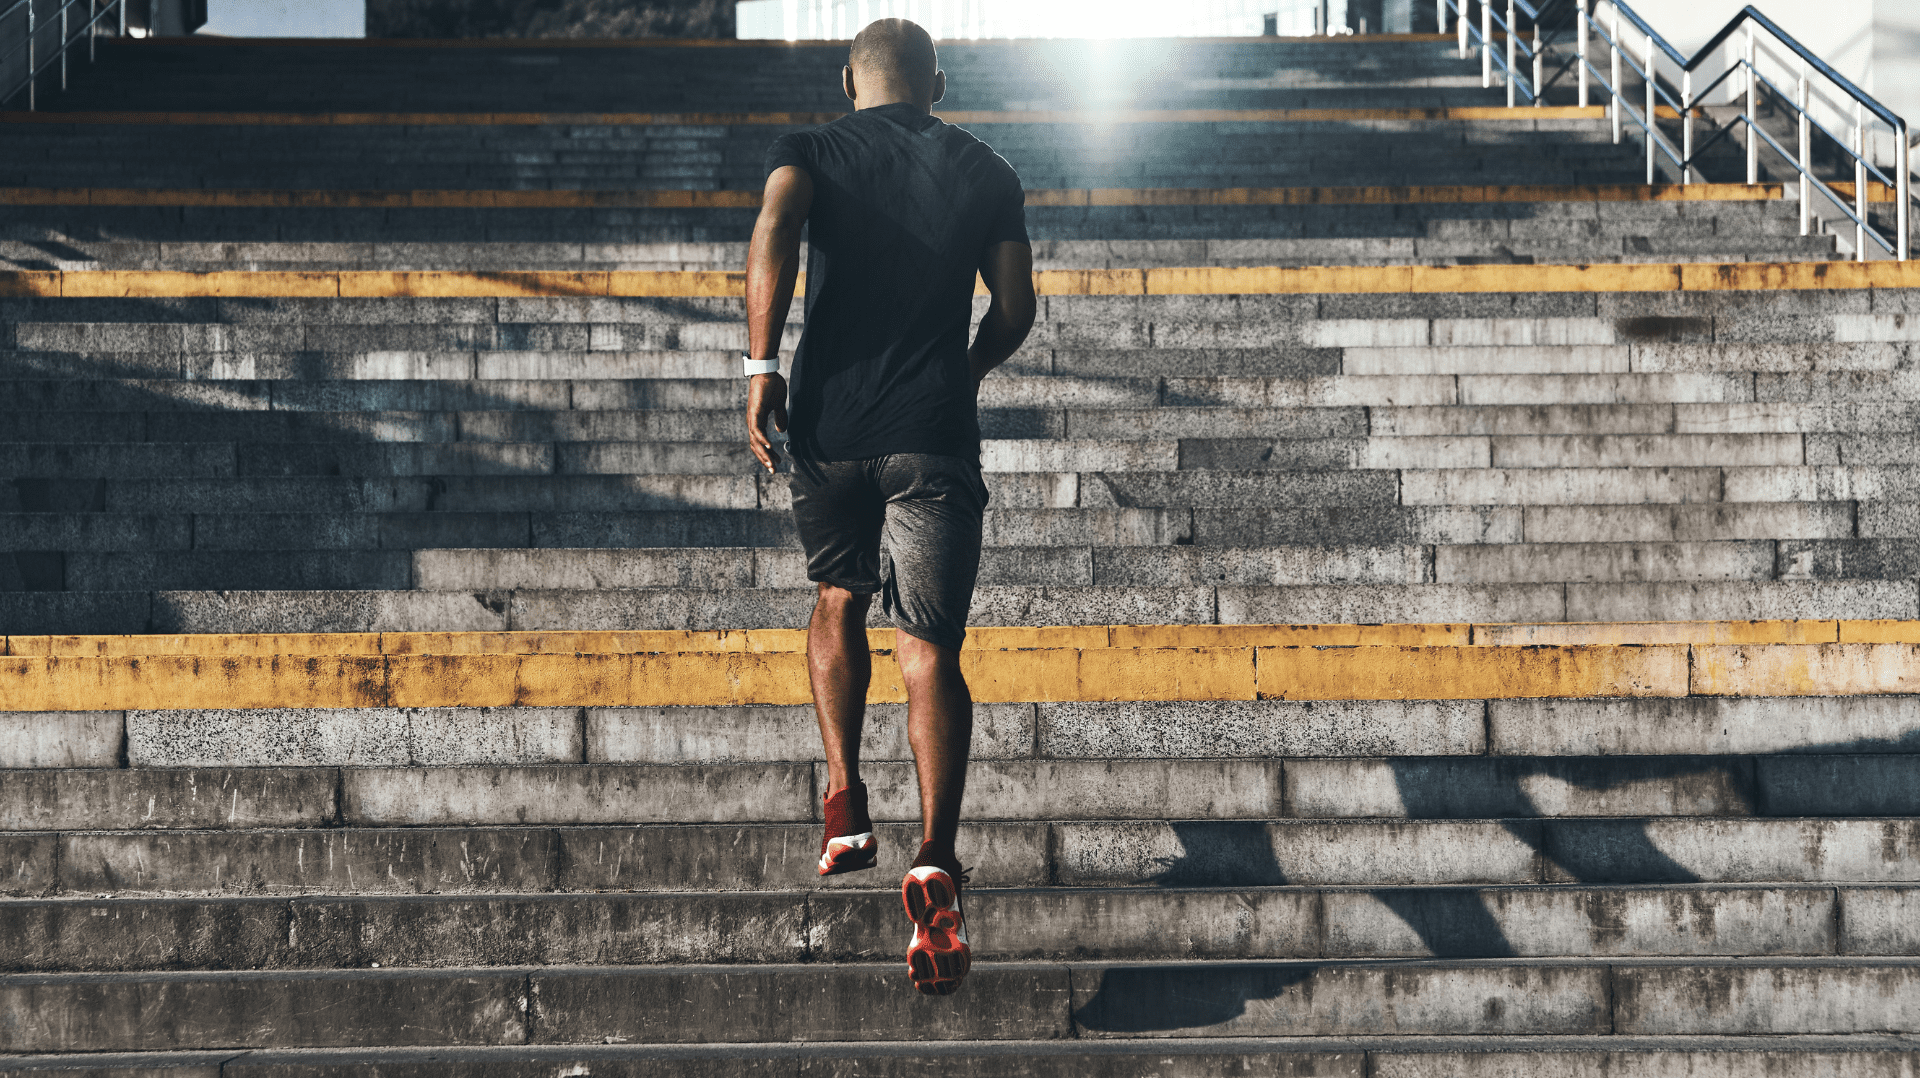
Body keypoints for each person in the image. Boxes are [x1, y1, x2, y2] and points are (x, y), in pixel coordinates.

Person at [740, 17, 1036, 996]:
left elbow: (776, 225)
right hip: (932, 433)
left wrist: (760, 366)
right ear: (939, 84)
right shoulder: (987, 166)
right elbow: (1016, 307)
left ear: (847, 81)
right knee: (928, 649)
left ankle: (842, 801)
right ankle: (934, 857)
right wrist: (963, 367)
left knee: (834, 598)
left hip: (828, 429)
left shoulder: (811, 149)